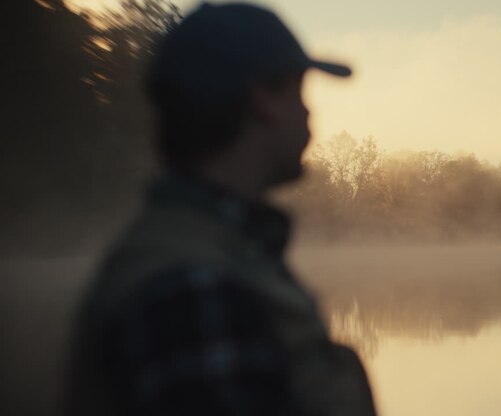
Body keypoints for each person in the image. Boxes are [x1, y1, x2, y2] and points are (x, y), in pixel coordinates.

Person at [64, 3, 376, 415]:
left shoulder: (216, 256)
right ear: (261, 99)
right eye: (299, 90)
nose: (307, 111)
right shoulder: (196, 289)